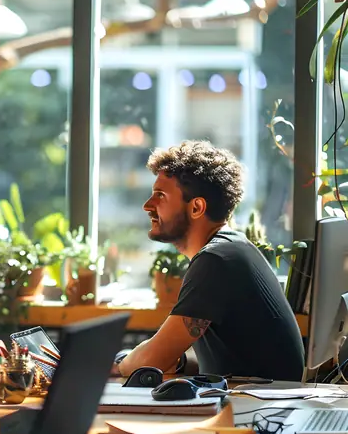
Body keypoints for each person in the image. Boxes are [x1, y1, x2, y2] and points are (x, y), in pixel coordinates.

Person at [115, 141, 305, 382]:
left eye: (160, 195)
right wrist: (180, 361)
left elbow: (152, 361)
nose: (147, 206)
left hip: (259, 411)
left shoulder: (216, 261)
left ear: (196, 207)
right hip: (262, 404)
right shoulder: (231, 248)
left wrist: (120, 364)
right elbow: (228, 359)